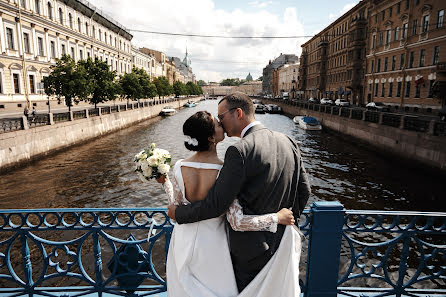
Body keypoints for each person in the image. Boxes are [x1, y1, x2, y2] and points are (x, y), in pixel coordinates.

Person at [169, 92, 311, 294]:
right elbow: (304, 191)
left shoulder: (240, 150)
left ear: (238, 113)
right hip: (284, 242)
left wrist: (178, 213)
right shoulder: (288, 141)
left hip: (249, 252)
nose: (219, 122)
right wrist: (286, 223)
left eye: (221, 117)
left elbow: (216, 206)